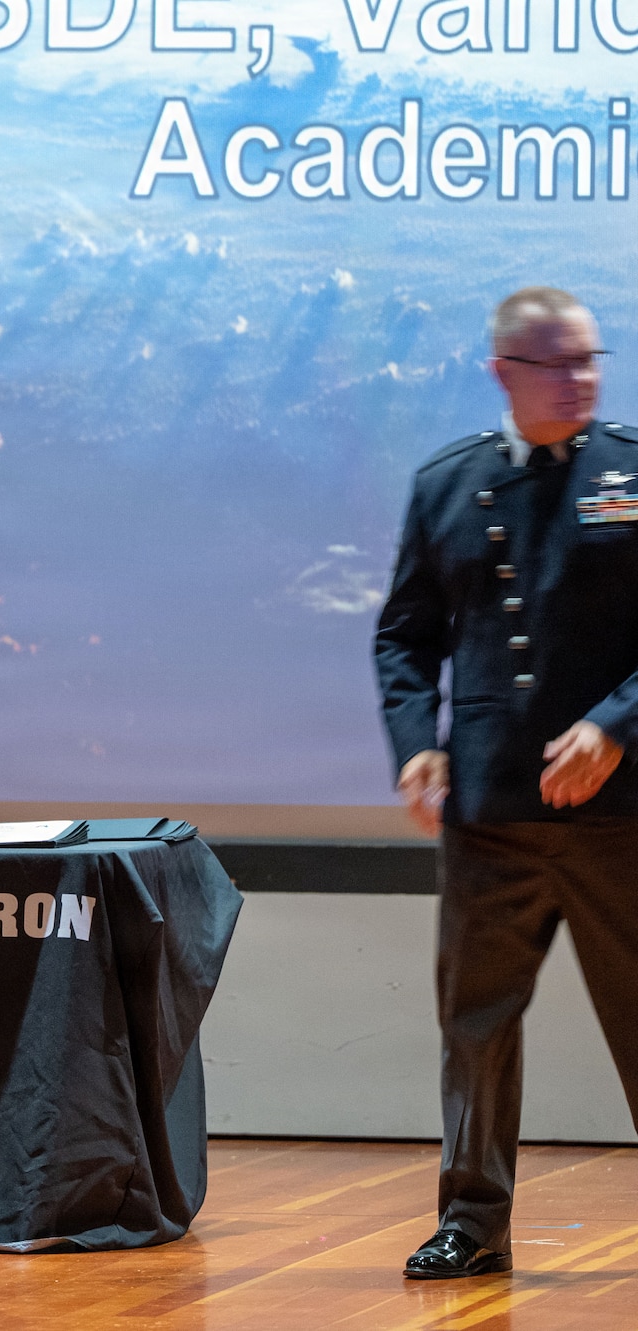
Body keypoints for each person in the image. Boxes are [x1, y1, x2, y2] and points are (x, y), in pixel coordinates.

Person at [376, 286, 638, 1280]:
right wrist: (417, 742)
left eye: (588, 359)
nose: (578, 379)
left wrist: (614, 726)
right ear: (501, 371)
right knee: (474, 1026)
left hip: (620, 817)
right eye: (554, 363)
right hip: (489, 814)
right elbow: (405, 638)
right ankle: (472, 1221)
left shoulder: (631, 471)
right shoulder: (448, 483)